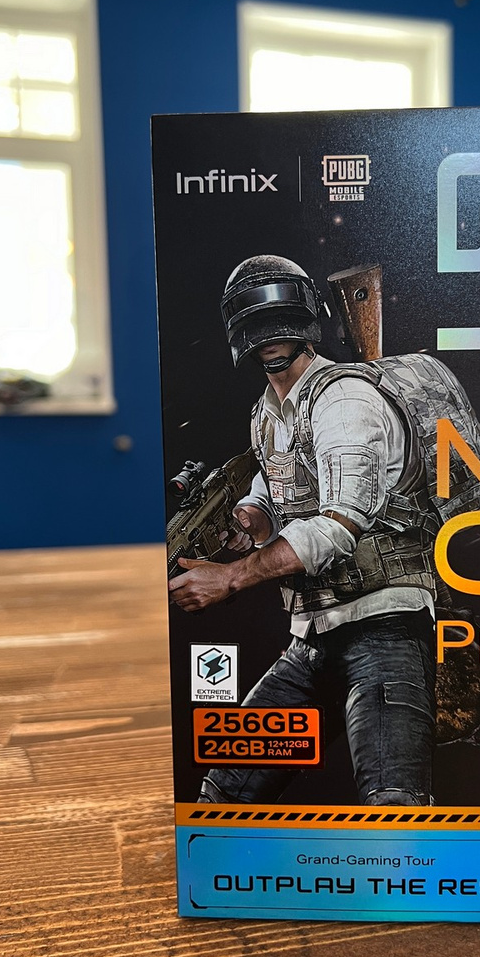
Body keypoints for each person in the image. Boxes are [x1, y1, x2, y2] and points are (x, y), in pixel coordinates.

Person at [168, 254, 438, 806]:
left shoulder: (344, 398)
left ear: (307, 322)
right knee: (223, 796)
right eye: (259, 330)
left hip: (384, 627)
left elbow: (340, 524)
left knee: (394, 806)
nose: (272, 342)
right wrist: (247, 521)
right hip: (313, 635)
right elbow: (276, 493)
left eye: (281, 326)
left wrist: (231, 577)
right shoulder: (267, 413)